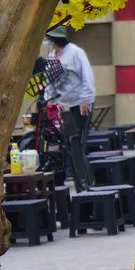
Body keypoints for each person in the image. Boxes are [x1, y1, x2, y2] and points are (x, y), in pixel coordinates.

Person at [42, 27, 97, 189]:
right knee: (68, 144)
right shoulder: (52, 56)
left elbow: (87, 76)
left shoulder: (75, 52)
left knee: (77, 143)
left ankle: (86, 182)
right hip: (63, 106)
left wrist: (85, 100)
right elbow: (50, 83)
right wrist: (49, 101)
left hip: (79, 104)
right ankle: (77, 179)